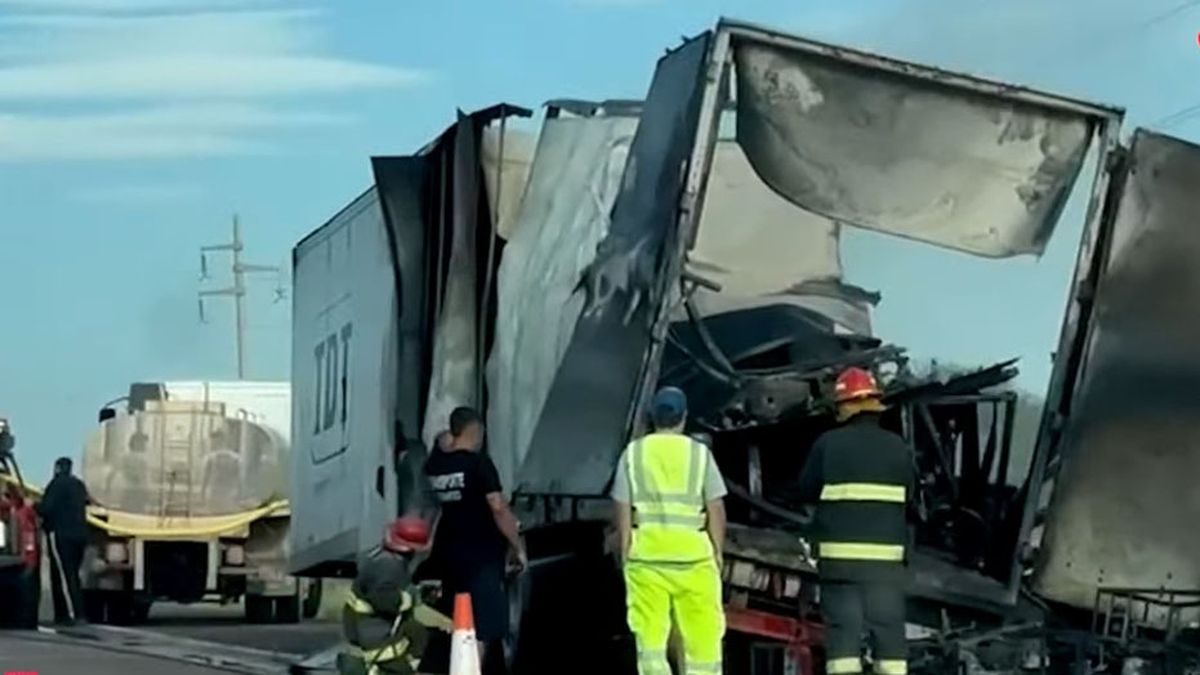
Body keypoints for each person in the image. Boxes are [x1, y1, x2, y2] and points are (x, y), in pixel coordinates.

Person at [796, 367, 914, 675]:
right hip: (884, 568)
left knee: (843, 637)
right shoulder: (898, 448)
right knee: (889, 637)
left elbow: (804, 491)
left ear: (843, 405)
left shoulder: (827, 444)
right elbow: (912, 499)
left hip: (840, 566)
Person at [612, 386, 728, 675]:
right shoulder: (700, 455)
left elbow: (622, 504)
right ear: (684, 417)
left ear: (652, 416)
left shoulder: (634, 453)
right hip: (694, 561)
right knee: (702, 637)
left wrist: (626, 546)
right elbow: (715, 508)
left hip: (648, 560)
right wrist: (717, 551)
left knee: (650, 639)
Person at [424, 406, 525, 668]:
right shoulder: (479, 464)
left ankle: (456, 668)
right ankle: (469, 670)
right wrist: (517, 546)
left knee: (457, 621)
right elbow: (498, 508)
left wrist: (442, 439)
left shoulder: (436, 465)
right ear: (476, 431)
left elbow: (439, 445)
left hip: (450, 554)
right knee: (484, 625)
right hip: (482, 556)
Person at [338, 516, 453, 675]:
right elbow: (386, 600)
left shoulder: (380, 557)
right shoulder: (389, 566)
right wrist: (409, 598)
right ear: (412, 549)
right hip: (375, 636)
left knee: (417, 632)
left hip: (364, 628)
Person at [36, 456, 89, 626]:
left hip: (61, 535)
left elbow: (46, 508)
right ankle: (64, 613)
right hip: (80, 535)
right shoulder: (79, 485)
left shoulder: (56, 485)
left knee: (64, 576)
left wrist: (33, 505)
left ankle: (74, 614)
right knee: (72, 573)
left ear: (57, 468)